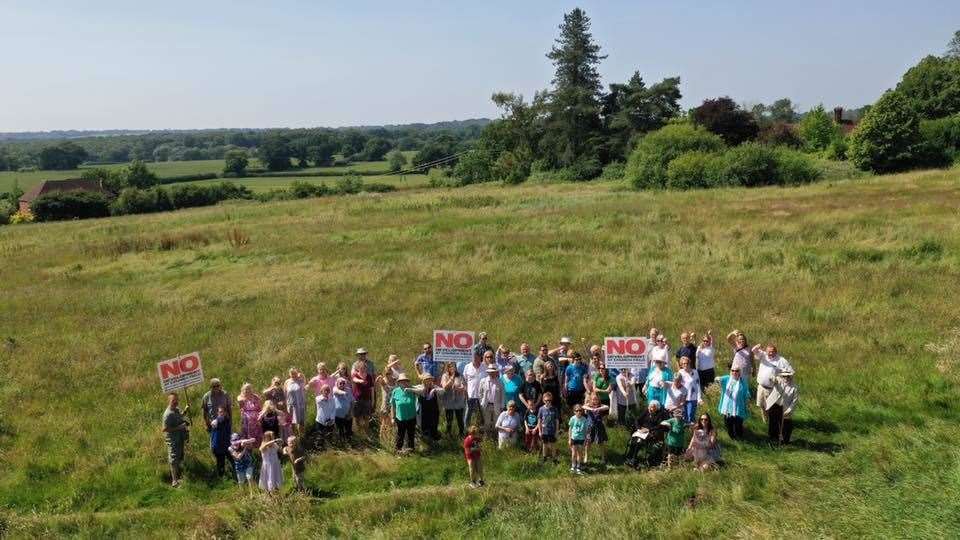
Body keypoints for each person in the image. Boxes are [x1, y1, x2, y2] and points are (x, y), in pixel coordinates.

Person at [753, 343, 795, 422]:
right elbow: (753, 351)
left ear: (776, 352)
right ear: (766, 351)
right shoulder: (763, 355)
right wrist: (758, 346)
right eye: (769, 351)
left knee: (772, 407)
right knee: (761, 405)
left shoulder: (781, 360)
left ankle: (773, 422)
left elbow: (791, 372)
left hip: (773, 389)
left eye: (773, 351)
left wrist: (781, 379)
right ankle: (765, 421)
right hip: (761, 387)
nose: (771, 353)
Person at [624, 400, 669, 469]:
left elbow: (660, 426)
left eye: (652, 407)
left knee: (639, 441)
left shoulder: (660, 414)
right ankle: (630, 457)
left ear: (657, 408)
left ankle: (633, 459)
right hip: (641, 430)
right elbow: (637, 420)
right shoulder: (646, 411)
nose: (650, 409)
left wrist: (648, 430)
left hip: (651, 432)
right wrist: (639, 428)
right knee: (634, 440)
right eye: (650, 407)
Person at [162, 393, 190, 487]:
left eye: (176, 400)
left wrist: (185, 411)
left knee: (180, 457)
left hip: (180, 438)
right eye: (173, 401)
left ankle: (179, 477)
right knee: (174, 459)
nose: (176, 402)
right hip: (173, 440)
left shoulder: (176, 409)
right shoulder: (167, 414)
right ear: (169, 401)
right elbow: (165, 429)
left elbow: (179, 416)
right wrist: (179, 427)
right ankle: (174, 481)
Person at [765, 370, 798, 444]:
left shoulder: (794, 387)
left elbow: (794, 401)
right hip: (775, 405)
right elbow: (771, 378)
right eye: (784, 376)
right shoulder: (778, 381)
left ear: (791, 377)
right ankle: (773, 438)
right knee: (773, 422)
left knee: (787, 424)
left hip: (785, 408)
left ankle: (785, 440)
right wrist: (774, 378)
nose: (786, 378)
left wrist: (789, 410)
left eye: (788, 376)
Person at [717, 367, 750, 440]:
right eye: (733, 371)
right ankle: (732, 437)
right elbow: (718, 379)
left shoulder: (743, 381)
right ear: (731, 371)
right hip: (728, 407)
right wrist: (718, 379)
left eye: (737, 371)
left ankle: (740, 437)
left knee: (738, 424)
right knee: (728, 424)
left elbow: (746, 392)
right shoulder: (727, 378)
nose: (734, 372)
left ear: (740, 372)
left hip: (739, 406)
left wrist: (747, 402)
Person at [389, 374, 418, 453]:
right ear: (398, 383)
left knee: (411, 434)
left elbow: (422, 391)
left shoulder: (412, 390)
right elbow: (392, 405)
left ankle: (411, 450)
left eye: (405, 381)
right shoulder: (395, 391)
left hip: (411, 416)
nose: (404, 383)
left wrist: (412, 388)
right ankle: (398, 450)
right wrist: (392, 417)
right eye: (402, 381)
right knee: (400, 435)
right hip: (400, 417)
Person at [410, 373, 442, 442]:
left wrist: (435, 390)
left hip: (434, 410)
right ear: (424, 381)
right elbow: (412, 388)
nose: (429, 381)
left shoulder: (434, 386)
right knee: (423, 425)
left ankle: (434, 440)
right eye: (427, 380)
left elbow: (443, 391)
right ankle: (424, 441)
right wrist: (421, 390)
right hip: (423, 411)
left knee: (434, 424)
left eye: (430, 379)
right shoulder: (419, 387)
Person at [440, 362, 467, 438]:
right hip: (449, 402)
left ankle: (461, 435)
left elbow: (464, 387)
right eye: (451, 366)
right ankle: (448, 435)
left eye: (454, 366)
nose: (453, 368)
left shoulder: (460, 375)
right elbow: (444, 387)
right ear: (448, 368)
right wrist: (452, 378)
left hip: (459, 401)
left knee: (460, 420)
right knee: (449, 420)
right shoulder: (445, 376)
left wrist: (459, 388)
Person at [583, 393, 609, 465]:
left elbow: (607, 407)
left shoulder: (600, 405)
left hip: (599, 426)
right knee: (588, 443)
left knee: (601, 443)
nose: (595, 400)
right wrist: (592, 408)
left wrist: (598, 408)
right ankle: (586, 456)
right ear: (591, 399)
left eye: (596, 399)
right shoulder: (589, 405)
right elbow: (583, 406)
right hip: (590, 427)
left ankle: (603, 458)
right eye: (594, 399)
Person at [478, 366, 504, 437]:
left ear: (496, 372)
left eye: (493, 372)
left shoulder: (500, 381)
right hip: (486, 405)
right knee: (487, 422)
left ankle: (495, 436)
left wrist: (502, 406)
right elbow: (480, 393)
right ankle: (487, 437)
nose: (491, 374)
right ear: (488, 372)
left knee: (496, 422)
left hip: (497, 405)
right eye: (490, 372)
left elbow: (503, 395)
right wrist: (481, 402)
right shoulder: (483, 381)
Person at [209, 405, 234, 478]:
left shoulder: (227, 421)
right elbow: (213, 431)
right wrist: (211, 445)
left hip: (227, 445)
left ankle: (235, 474)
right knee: (220, 462)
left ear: (226, 412)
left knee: (232, 459)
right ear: (218, 413)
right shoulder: (216, 422)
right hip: (218, 446)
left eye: (223, 412)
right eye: (220, 412)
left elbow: (229, 432)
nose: (221, 413)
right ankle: (221, 478)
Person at [677, 356, 703, 424]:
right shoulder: (680, 372)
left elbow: (698, 385)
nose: (685, 365)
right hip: (682, 398)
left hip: (692, 398)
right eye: (683, 364)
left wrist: (699, 398)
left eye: (687, 363)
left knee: (690, 416)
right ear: (681, 365)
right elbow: (677, 384)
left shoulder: (695, 372)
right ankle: (686, 432)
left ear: (689, 364)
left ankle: (692, 431)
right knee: (683, 416)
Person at [375, 364, 396, 445]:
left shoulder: (395, 380)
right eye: (387, 373)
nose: (388, 375)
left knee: (392, 423)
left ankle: (390, 440)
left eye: (390, 373)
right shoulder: (383, 380)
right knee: (384, 423)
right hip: (385, 404)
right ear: (384, 373)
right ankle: (381, 440)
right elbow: (376, 384)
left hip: (393, 404)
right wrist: (378, 378)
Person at [351, 362, 375, 435]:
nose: (362, 369)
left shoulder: (369, 376)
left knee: (366, 417)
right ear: (358, 368)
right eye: (361, 368)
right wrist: (360, 381)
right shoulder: (355, 375)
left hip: (367, 399)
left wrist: (373, 400)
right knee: (357, 417)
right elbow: (354, 379)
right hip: (357, 399)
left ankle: (366, 433)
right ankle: (359, 433)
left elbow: (372, 389)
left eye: (364, 367)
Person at [463, 353, 485, 429]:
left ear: (480, 357)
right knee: (468, 415)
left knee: (481, 415)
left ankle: (480, 431)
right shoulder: (467, 367)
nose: (475, 359)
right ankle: (466, 431)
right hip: (470, 395)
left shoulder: (484, 366)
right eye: (473, 357)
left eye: (476, 357)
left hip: (482, 396)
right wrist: (466, 393)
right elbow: (465, 381)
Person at [537, 392, 560, 463]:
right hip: (544, 431)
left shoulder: (554, 409)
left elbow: (557, 421)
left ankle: (554, 459)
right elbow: (539, 421)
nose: (548, 402)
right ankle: (544, 457)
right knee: (545, 445)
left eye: (549, 400)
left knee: (553, 445)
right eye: (546, 400)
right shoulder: (541, 409)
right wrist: (540, 431)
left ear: (551, 400)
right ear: (543, 400)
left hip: (552, 431)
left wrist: (556, 431)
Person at [284, 368, 307, 436]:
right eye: (292, 373)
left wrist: (302, 375)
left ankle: (302, 436)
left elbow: (305, 383)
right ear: (289, 374)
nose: (293, 375)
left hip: (300, 404)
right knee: (292, 422)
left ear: (297, 373)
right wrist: (286, 404)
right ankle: (294, 436)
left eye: (295, 373)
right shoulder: (287, 382)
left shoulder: (300, 380)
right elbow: (285, 393)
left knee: (301, 422)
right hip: (291, 404)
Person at [568, 404, 588, 474]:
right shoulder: (572, 419)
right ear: (574, 411)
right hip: (574, 438)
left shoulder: (584, 419)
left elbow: (586, 430)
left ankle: (578, 467)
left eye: (580, 410)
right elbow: (570, 429)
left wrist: (586, 439)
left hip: (581, 438)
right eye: (577, 410)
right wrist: (569, 439)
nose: (579, 412)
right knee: (573, 453)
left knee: (580, 453)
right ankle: (573, 466)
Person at [332, 378, 354, 443]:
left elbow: (352, 402)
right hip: (337, 415)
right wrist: (344, 393)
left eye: (343, 383)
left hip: (348, 414)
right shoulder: (334, 389)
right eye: (340, 383)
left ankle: (349, 444)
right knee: (340, 430)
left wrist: (350, 412)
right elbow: (337, 391)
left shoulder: (348, 390)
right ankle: (341, 444)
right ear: (337, 384)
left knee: (348, 430)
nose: (342, 384)